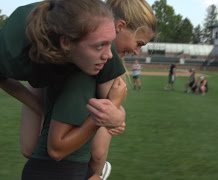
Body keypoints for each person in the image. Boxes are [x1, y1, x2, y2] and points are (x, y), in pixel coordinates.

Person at [3, 0, 156, 179]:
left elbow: (112, 109)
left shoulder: (99, 47)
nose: (137, 51)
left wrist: (117, 114)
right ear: (119, 27)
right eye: (139, 43)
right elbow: (96, 150)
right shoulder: (13, 46)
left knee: (31, 149)